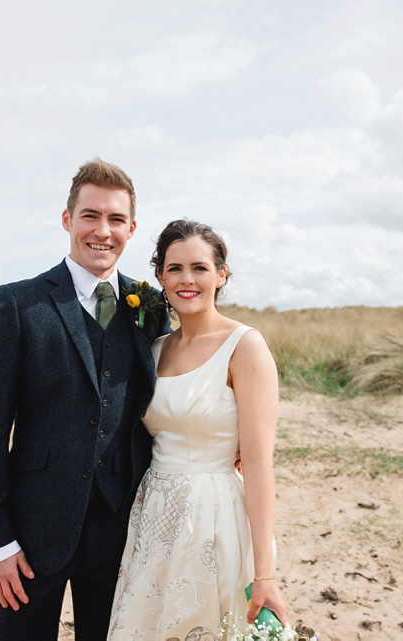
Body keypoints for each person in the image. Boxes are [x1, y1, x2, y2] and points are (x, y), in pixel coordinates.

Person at [0, 158, 170, 641]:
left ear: (131, 228)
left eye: (116, 220)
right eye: (90, 216)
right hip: (33, 528)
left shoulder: (151, 307)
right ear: (67, 220)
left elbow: (162, 403)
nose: (103, 231)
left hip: (121, 526)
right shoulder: (19, 303)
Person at [107, 219, 289, 640]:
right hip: (154, 514)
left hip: (216, 514)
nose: (186, 280)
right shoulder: (154, 349)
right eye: (174, 268)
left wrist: (265, 574)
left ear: (221, 274)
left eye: (200, 268)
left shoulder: (245, 346)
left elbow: (260, 464)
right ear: (159, 276)